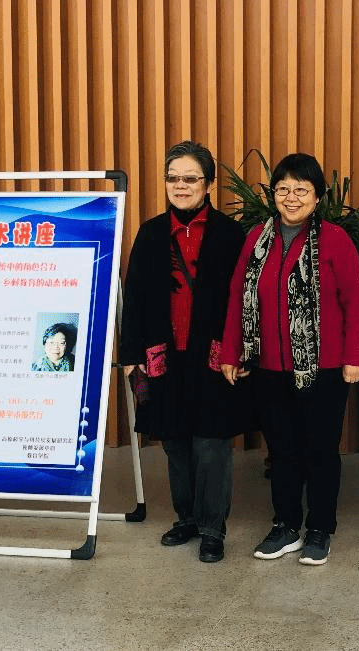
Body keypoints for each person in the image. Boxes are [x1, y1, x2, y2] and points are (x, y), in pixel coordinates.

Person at [221, 153, 359, 566]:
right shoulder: (257, 238)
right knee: (282, 451)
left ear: (317, 197)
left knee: (320, 450)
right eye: (283, 188)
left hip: (324, 367)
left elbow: (354, 302)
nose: (291, 197)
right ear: (273, 194)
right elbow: (238, 296)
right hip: (268, 366)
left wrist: (353, 357)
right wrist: (232, 350)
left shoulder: (335, 239)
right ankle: (285, 525)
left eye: (301, 189)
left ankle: (320, 529)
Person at [120, 140, 248, 563]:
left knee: (211, 442)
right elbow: (134, 296)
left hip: (213, 354)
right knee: (174, 439)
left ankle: (213, 528)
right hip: (162, 355)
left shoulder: (229, 234)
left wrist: (241, 352)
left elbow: (245, 300)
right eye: (173, 178)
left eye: (190, 178)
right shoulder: (151, 233)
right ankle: (186, 518)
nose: (180, 186)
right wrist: (130, 353)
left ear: (208, 184)